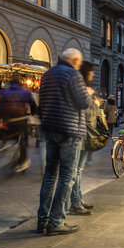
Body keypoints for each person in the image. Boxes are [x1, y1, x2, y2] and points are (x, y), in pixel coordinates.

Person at [37, 48, 93, 236]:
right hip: (69, 130)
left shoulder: (47, 74)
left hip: (50, 129)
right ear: (75, 61)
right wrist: (88, 93)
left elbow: (41, 103)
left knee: (50, 175)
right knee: (67, 176)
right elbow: (84, 102)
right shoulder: (73, 74)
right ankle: (56, 221)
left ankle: (42, 220)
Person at [69, 61, 99, 216]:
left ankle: (78, 199)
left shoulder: (86, 89)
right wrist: (94, 103)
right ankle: (75, 202)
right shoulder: (83, 89)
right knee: (77, 170)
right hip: (82, 132)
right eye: (91, 71)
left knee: (78, 170)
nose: (93, 74)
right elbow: (86, 112)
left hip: (86, 133)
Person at [0, 74, 37, 172]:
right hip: (21, 119)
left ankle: (7, 146)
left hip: (9, 120)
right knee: (23, 140)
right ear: (20, 83)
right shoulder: (24, 92)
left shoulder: (5, 92)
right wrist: (32, 113)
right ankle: (23, 161)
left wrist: (3, 117)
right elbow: (33, 104)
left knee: (10, 136)